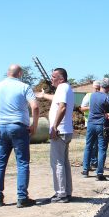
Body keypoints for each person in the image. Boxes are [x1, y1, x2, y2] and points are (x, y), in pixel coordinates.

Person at [0, 64, 39, 208]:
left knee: (0, 163)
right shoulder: (24, 87)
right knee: (22, 163)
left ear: (8, 73)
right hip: (18, 127)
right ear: (20, 74)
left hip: (0, 127)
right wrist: (34, 126)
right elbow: (35, 107)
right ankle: (22, 198)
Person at [36, 68, 74, 203]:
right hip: (66, 130)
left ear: (61, 79)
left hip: (60, 131)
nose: (51, 79)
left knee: (57, 163)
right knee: (64, 163)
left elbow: (62, 107)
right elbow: (57, 99)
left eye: (54, 77)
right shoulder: (65, 88)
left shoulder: (62, 88)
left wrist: (54, 127)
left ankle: (61, 194)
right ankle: (67, 191)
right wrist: (43, 95)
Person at [81, 78, 109, 181]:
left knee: (88, 146)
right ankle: (99, 173)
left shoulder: (92, 95)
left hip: (91, 124)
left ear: (100, 86)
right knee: (101, 149)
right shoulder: (107, 97)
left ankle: (85, 170)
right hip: (101, 125)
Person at [80, 80, 100, 170]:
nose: (97, 90)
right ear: (93, 88)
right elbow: (82, 108)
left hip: (99, 123)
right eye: (96, 88)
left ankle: (93, 162)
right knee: (90, 144)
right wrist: (91, 107)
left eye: (98, 88)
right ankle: (89, 163)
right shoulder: (88, 96)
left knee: (96, 144)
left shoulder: (102, 96)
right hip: (89, 123)